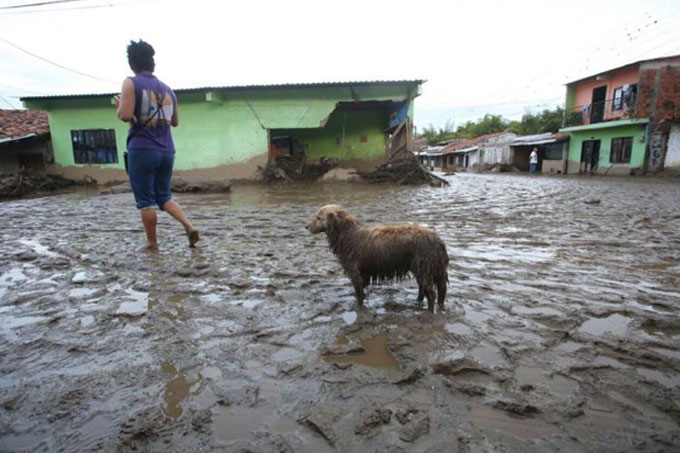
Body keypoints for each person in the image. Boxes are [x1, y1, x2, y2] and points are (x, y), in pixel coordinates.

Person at [116, 40, 199, 251]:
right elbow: (175, 122)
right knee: (164, 196)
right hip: (166, 151)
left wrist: (118, 108)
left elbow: (126, 115)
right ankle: (189, 226)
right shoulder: (168, 90)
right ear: (152, 63)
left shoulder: (130, 83)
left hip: (142, 149)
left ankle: (152, 244)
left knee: (145, 201)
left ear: (132, 63)